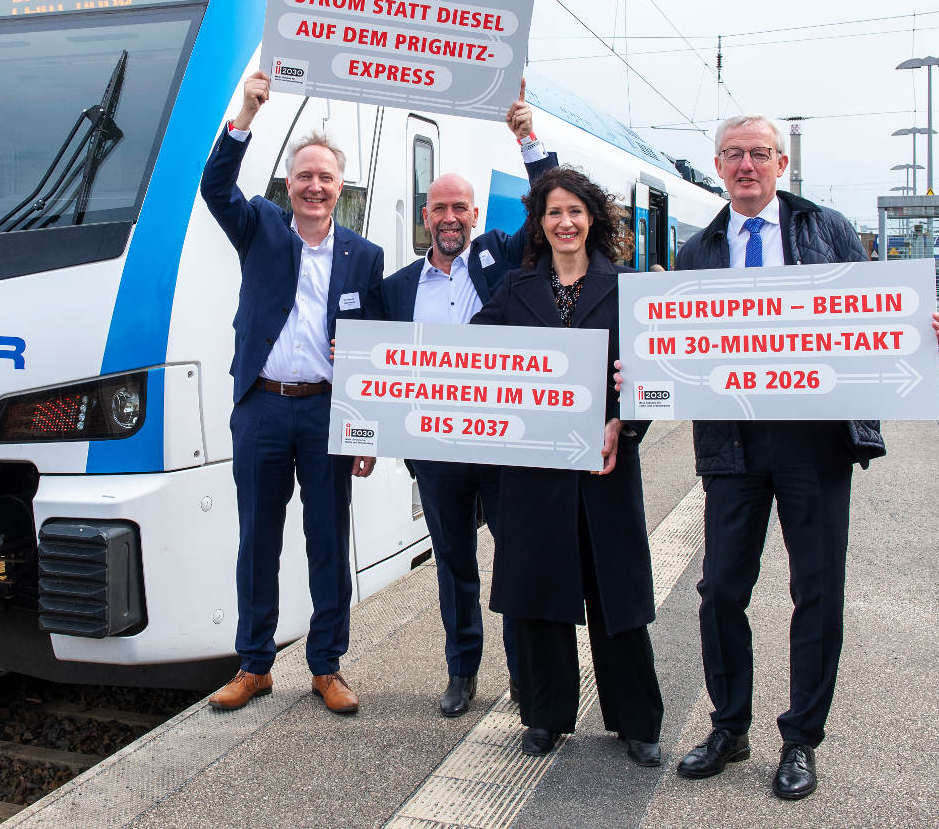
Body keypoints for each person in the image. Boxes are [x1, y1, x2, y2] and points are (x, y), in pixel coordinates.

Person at [667, 113, 906, 800]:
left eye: (760, 155)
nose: (747, 165)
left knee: (817, 591)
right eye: (735, 155)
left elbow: (874, 310)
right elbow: (682, 349)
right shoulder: (698, 251)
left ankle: (801, 739)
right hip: (732, 443)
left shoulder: (822, 229)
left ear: (781, 165)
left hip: (814, 440)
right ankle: (729, 726)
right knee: (719, 594)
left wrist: (914, 324)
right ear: (718, 166)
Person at [199, 71, 384, 715]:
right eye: (304, 175)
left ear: (341, 188)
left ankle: (327, 666)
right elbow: (214, 186)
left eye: (325, 177)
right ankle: (254, 665)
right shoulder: (260, 228)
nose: (314, 186)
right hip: (263, 407)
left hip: (330, 410)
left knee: (328, 539)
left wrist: (367, 430)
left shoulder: (365, 256)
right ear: (288, 184)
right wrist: (246, 112)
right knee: (258, 536)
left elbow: (377, 351)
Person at [471, 167, 665, 767]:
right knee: (539, 593)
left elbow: (655, 376)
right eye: (554, 213)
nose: (565, 223)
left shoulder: (629, 289)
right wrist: (376, 365)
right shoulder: (514, 290)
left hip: (607, 467)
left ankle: (636, 723)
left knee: (617, 596)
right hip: (534, 472)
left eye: (575, 212)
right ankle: (546, 717)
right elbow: (470, 359)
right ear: (541, 222)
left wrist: (624, 424)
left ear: (593, 219)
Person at [378, 81, 556, 717]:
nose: (450, 217)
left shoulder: (501, 259)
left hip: (502, 443)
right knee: (454, 563)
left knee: (512, 561)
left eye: (461, 208)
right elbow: (375, 366)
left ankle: (520, 675)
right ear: (425, 216)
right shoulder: (397, 287)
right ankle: (462, 672)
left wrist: (526, 137)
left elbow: (548, 210)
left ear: (476, 216)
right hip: (436, 450)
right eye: (439, 208)